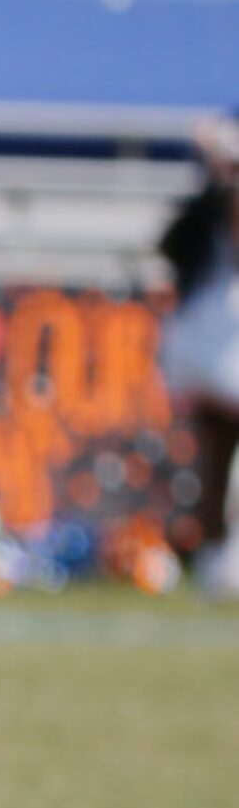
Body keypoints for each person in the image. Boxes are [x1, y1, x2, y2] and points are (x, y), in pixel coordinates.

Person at [158, 110, 239, 599]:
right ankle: (215, 561)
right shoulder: (206, 214)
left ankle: (220, 559)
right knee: (215, 458)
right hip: (215, 347)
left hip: (222, 344)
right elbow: (172, 245)